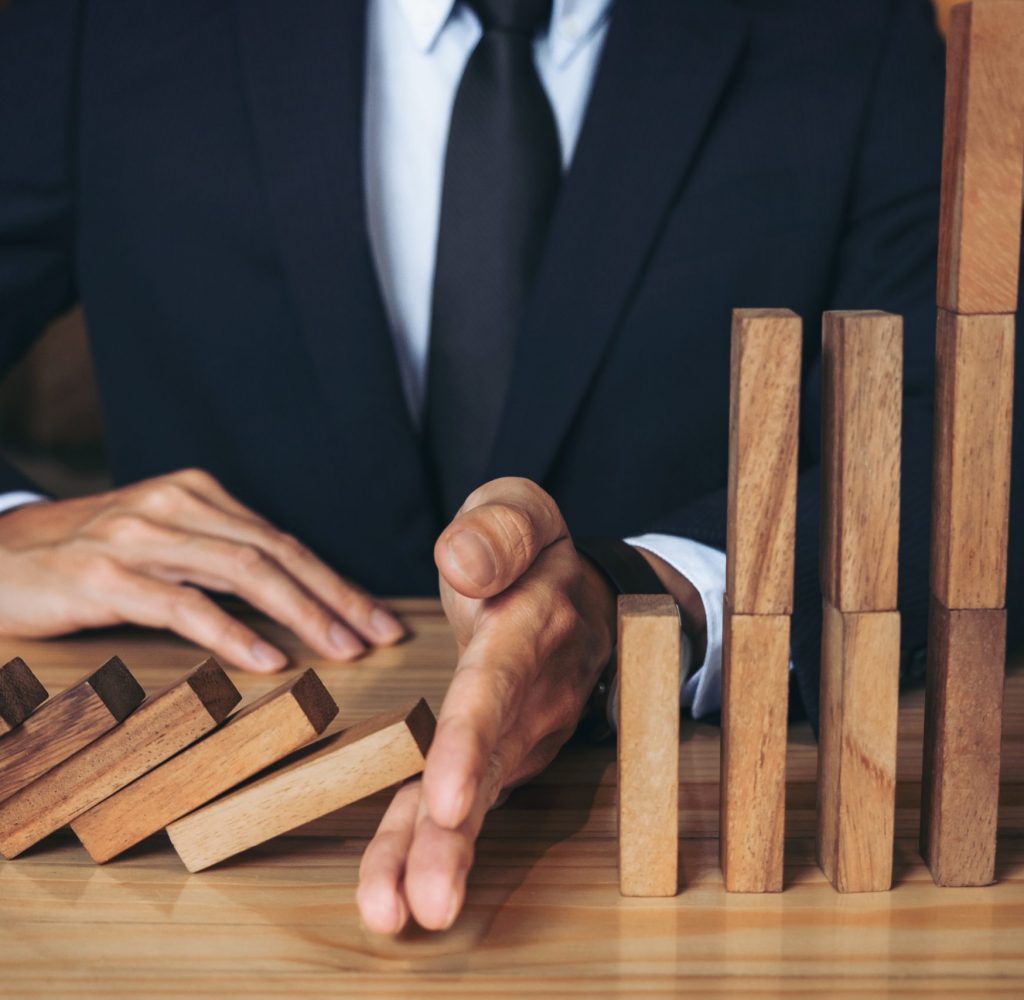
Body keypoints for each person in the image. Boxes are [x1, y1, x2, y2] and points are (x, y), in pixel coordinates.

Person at [2, 0, 1006, 935]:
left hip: (675, 868)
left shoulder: (849, 25)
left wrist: (646, 599)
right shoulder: (98, 18)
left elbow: (962, 444)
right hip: (183, 879)